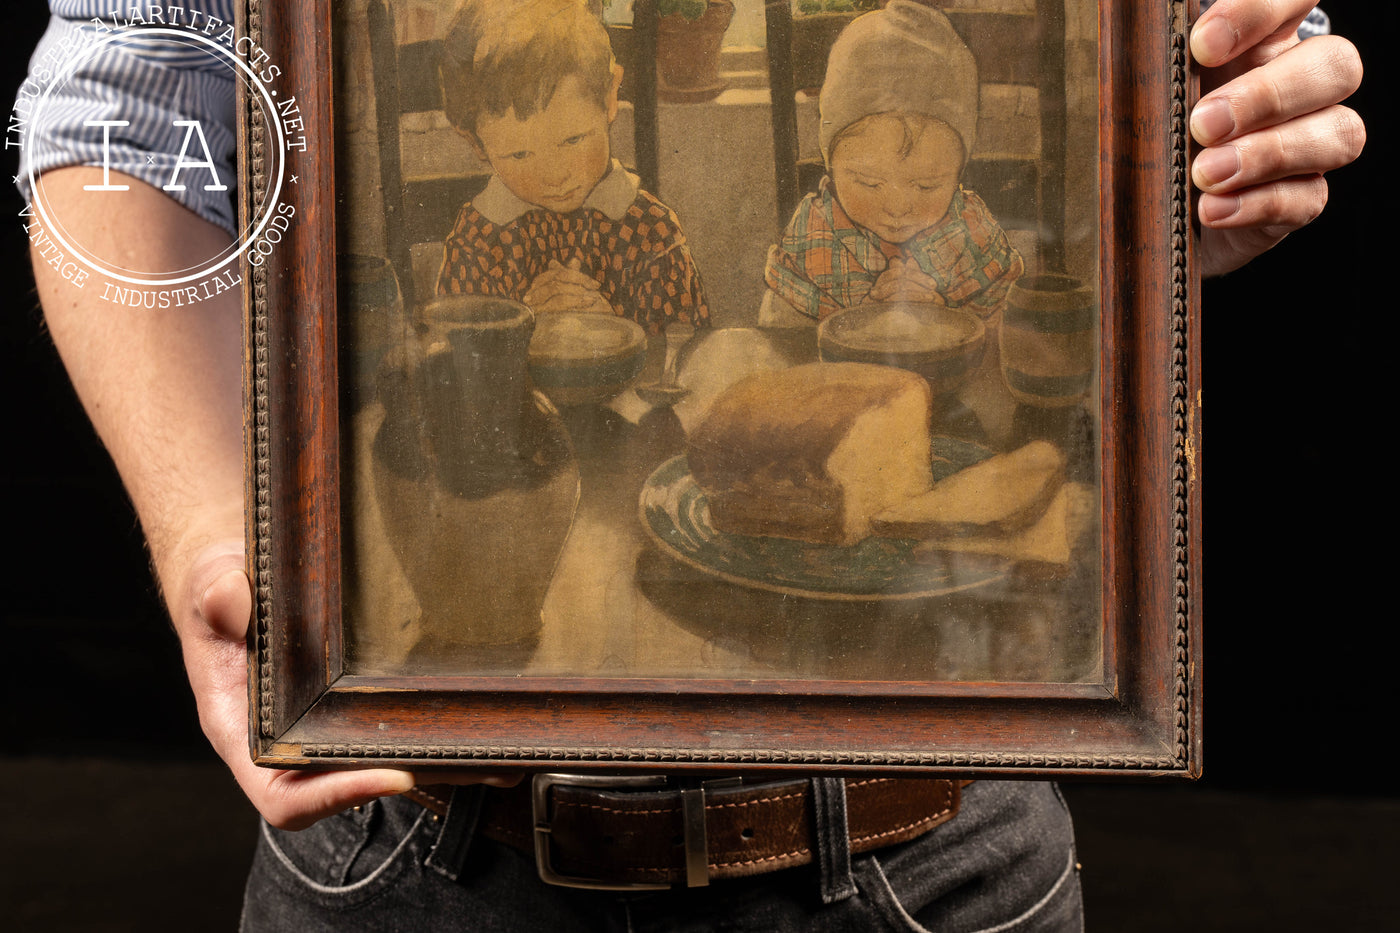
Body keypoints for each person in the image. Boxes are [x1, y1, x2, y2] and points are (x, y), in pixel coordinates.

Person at [17, 0, 1364, 929]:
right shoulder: (493, 245)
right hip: (409, 834)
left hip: (938, 835)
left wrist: (1227, 115)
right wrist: (209, 528)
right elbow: (125, 96)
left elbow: (1205, 58)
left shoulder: (692, 227)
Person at [435, 0, 710, 333]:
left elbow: (685, 357)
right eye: (520, 155)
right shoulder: (476, 239)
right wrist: (522, 331)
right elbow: (458, 360)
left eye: (573, 140)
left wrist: (612, 333)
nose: (555, 175)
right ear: (476, 144)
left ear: (610, 97)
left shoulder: (652, 231)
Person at [763, 1, 1023, 324]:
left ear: (958, 171)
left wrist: (944, 318)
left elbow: (1011, 327)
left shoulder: (973, 232)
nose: (897, 207)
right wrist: (863, 319)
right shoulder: (814, 231)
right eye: (868, 182)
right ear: (830, 166)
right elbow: (780, 330)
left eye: (927, 185)